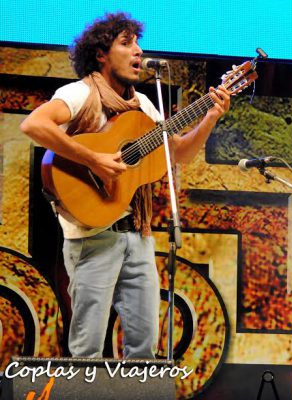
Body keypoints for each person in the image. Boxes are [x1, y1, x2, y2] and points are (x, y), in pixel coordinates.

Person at [20, 12, 230, 358]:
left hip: (137, 233)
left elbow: (178, 153)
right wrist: (94, 159)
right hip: (92, 235)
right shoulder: (79, 93)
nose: (139, 51)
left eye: (138, 43)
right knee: (88, 348)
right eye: (126, 43)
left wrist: (209, 117)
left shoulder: (142, 104)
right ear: (101, 54)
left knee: (144, 346)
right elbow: (34, 125)